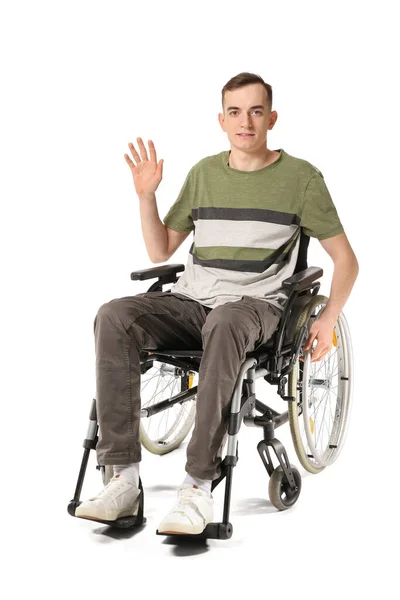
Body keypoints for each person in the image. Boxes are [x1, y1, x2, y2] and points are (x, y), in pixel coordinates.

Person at [75, 72, 359, 534]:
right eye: (234, 112)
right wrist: (147, 196)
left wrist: (327, 320)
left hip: (257, 307)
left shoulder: (302, 178)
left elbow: (346, 260)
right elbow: (160, 250)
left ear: (271, 118)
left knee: (226, 321)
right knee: (114, 315)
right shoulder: (204, 173)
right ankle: (122, 479)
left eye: (255, 111)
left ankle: (197, 488)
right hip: (194, 301)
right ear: (221, 120)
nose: (244, 121)